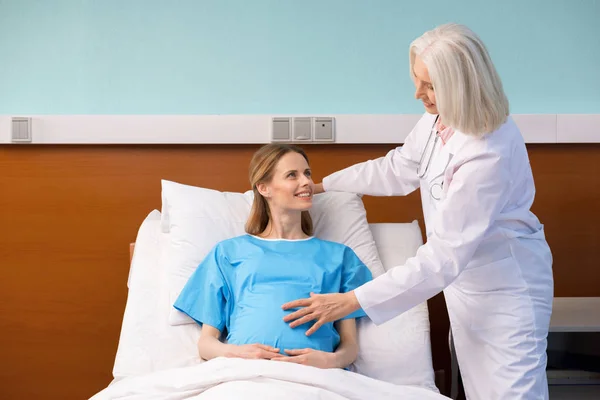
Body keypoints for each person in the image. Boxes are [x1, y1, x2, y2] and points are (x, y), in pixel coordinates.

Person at [282, 23, 554, 399]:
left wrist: (352, 301)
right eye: (416, 80)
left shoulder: (487, 153)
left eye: (430, 86)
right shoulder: (439, 118)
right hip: (466, 287)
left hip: (505, 291)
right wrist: (325, 183)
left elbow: (442, 258)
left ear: (460, 85)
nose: (417, 94)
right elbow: (398, 168)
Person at [173, 143, 373, 370]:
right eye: (292, 175)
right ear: (264, 188)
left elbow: (350, 346)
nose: (306, 182)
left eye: (307, 173)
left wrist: (330, 361)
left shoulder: (340, 257)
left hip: (317, 376)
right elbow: (206, 344)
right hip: (244, 373)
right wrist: (238, 354)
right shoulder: (228, 253)